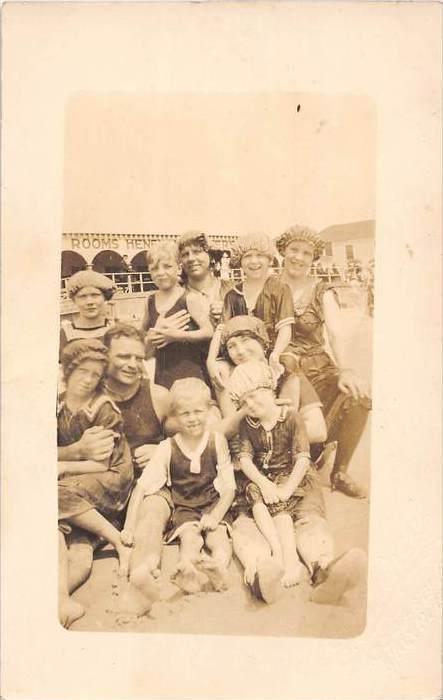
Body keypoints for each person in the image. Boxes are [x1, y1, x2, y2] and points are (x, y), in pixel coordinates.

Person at [228, 360, 367, 604]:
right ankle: (262, 571)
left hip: (294, 479)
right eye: (243, 401)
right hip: (260, 484)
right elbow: (246, 458)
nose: (249, 405)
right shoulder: (245, 423)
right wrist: (267, 485)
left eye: (254, 396)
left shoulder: (291, 413)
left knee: (308, 519)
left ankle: (324, 568)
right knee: (247, 525)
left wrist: (286, 488)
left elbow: (302, 456)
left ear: (270, 387)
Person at [60, 324, 171, 608]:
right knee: (78, 547)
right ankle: (57, 601)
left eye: (138, 357)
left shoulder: (157, 395)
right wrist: (75, 451)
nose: (132, 364)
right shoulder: (82, 395)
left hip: (143, 488)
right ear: (105, 357)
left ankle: (141, 582)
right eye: (123, 357)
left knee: (150, 519)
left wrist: (161, 449)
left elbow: (191, 439)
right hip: (90, 498)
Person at [276, 224, 371, 498]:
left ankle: (340, 472)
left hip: (318, 367)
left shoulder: (322, 290)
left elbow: (336, 333)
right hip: (282, 369)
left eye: (306, 253)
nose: (298, 257)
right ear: (283, 250)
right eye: (294, 250)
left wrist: (347, 370)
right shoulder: (270, 287)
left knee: (358, 396)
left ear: (314, 258)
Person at [122, 379, 236, 595]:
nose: (193, 419)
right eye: (185, 414)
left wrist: (216, 515)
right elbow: (142, 487)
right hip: (184, 507)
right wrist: (129, 526)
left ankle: (219, 567)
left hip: (213, 504)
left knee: (218, 537)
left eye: (198, 412)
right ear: (174, 416)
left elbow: (229, 487)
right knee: (189, 537)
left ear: (209, 411)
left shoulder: (217, 441)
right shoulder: (167, 447)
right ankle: (187, 570)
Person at [57, 339, 133, 627]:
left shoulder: (103, 408)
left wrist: (60, 465)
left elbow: (100, 464)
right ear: (69, 369)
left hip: (110, 480)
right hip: (77, 485)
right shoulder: (58, 403)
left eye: (95, 375)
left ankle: (118, 541)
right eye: (82, 372)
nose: (88, 380)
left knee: (50, 496)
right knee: (77, 543)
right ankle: (60, 600)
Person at [214, 315, 327, 445]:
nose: (240, 351)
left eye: (245, 340)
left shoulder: (286, 371)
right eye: (231, 346)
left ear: (263, 343)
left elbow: (318, 431)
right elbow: (227, 432)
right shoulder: (228, 377)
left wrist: (270, 438)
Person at [207, 232, 294, 387]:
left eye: (260, 255)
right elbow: (221, 330)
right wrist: (211, 360)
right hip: (242, 355)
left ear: (269, 259)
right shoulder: (233, 295)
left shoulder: (279, 289)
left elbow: (285, 328)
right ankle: (231, 411)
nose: (254, 261)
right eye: (247, 256)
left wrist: (276, 354)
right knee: (221, 371)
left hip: (274, 352)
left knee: (286, 370)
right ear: (240, 261)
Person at [141, 240, 213, 389]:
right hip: (163, 375)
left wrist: (176, 336)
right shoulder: (149, 301)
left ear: (179, 269)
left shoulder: (189, 298)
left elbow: (208, 332)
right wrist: (150, 339)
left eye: (167, 266)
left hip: (190, 371)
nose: (161, 273)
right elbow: (141, 338)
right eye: (154, 268)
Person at [178, 230, 233, 327]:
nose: (190, 258)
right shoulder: (176, 296)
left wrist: (232, 313)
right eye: (185, 254)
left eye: (197, 252)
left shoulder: (233, 289)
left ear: (211, 256)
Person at [59, 270, 116, 357]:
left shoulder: (115, 329)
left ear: (105, 298)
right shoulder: (66, 334)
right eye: (82, 296)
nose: (89, 302)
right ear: (74, 301)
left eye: (95, 295)